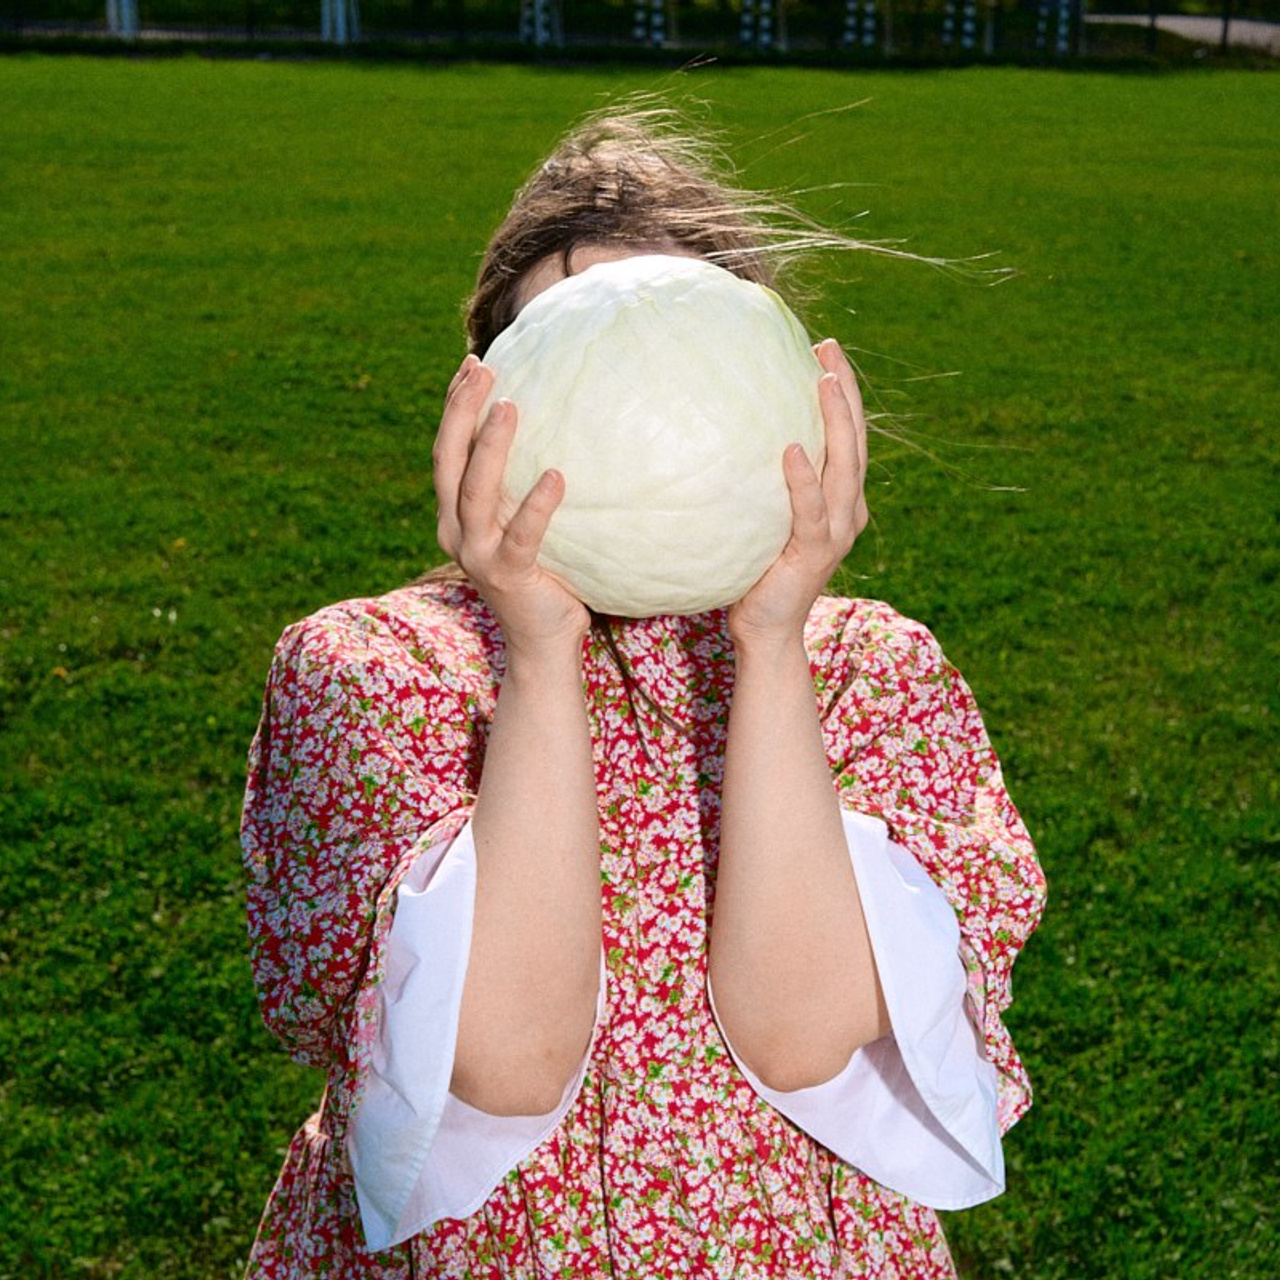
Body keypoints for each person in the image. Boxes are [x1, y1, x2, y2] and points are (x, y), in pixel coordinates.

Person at [241, 108, 1047, 1279]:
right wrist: (537, 651)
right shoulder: (372, 669)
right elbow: (502, 1057)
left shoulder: (873, 672)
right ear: (481, 406)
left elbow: (805, 1031)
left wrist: (771, 645)